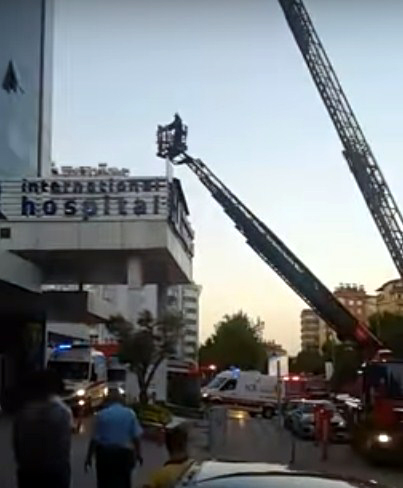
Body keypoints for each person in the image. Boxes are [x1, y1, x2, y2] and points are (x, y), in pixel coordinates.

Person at [13, 369, 73, 488]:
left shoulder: (24, 412)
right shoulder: (62, 411)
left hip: (29, 471)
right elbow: (65, 445)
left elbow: (17, 444)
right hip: (55, 471)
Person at [85, 387, 143, 488]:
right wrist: (139, 454)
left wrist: (89, 457)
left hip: (105, 455)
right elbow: (136, 437)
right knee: (124, 482)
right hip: (124, 454)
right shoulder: (130, 414)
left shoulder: (101, 415)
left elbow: (95, 439)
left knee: (104, 482)